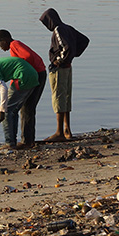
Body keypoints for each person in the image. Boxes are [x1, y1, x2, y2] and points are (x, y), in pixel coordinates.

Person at [39, 8, 90, 142]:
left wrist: (59, 60)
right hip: (68, 67)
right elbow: (84, 40)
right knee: (66, 97)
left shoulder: (58, 30)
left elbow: (65, 47)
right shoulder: (68, 28)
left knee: (58, 98)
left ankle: (59, 132)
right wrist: (72, 56)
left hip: (60, 69)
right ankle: (67, 130)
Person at [0, 30, 46, 149]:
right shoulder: (13, 47)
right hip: (36, 74)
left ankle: (27, 141)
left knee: (28, 108)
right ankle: (28, 140)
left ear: (5, 40)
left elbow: (26, 56)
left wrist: (25, 70)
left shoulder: (15, 44)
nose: (1, 48)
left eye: (0, 44)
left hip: (37, 73)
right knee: (27, 107)